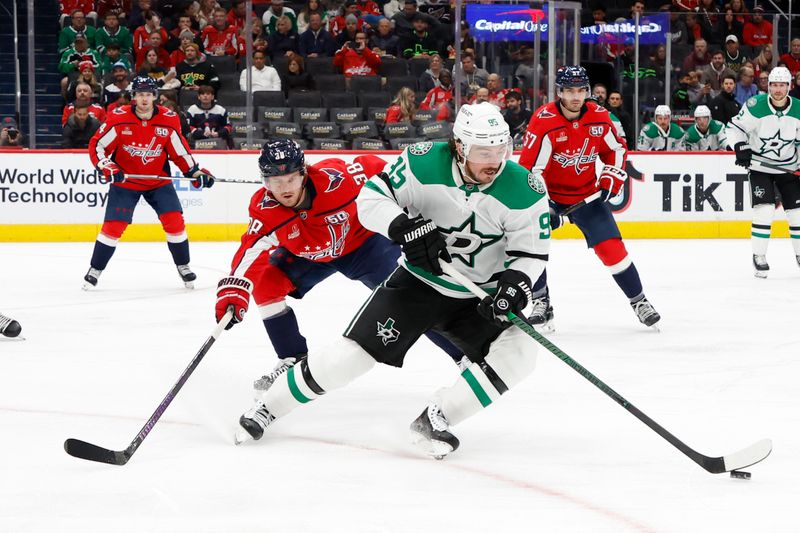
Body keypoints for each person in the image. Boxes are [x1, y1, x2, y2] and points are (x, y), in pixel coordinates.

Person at [232, 103, 549, 459]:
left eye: (500, 150)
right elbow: (372, 197)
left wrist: (515, 284)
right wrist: (401, 227)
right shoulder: (421, 161)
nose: (493, 161)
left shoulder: (527, 189)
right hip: (418, 284)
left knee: (520, 354)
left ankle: (438, 417)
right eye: (482, 151)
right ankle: (268, 407)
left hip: (479, 295)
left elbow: (531, 253)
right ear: (459, 146)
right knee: (351, 358)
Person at [214, 139, 465, 397]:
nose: (284, 189)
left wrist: (409, 216)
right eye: (276, 182)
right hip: (311, 256)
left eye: (290, 179)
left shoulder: (338, 180)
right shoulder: (265, 210)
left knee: (411, 296)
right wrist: (235, 290)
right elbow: (250, 250)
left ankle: (463, 354)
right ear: (265, 182)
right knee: (266, 282)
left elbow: (381, 173)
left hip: (365, 247)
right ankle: (291, 357)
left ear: (304, 172)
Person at [518, 66, 660, 330]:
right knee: (532, 247)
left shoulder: (599, 117)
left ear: (587, 91)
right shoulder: (544, 120)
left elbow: (616, 149)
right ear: (559, 91)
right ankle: (541, 301)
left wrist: (611, 175)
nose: (575, 96)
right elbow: (531, 169)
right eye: (569, 90)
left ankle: (639, 301)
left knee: (613, 250)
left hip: (586, 195)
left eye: (580, 90)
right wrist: (543, 205)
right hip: (549, 197)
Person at [84, 76, 216, 290]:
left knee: (174, 222)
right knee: (113, 227)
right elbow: (97, 145)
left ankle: (183, 266)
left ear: (154, 96)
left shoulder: (169, 119)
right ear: (133, 96)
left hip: (157, 182)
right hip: (126, 181)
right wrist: (108, 166)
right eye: (139, 94)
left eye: (148, 94)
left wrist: (195, 171)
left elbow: (179, 151)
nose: (144, 99)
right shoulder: (118, 118)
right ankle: (95, 269)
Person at [725, 66, 800, 278]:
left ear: (789, 86)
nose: (777, 89)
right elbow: (734, 128)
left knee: (797, 214)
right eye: (774, 85)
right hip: (760, 168)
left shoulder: (799, 109)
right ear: (768, 86)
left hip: (789, 168)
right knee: (764, 210)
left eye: (782, 85)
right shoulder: (755, 106)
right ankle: (759, 256)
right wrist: (740, 147)